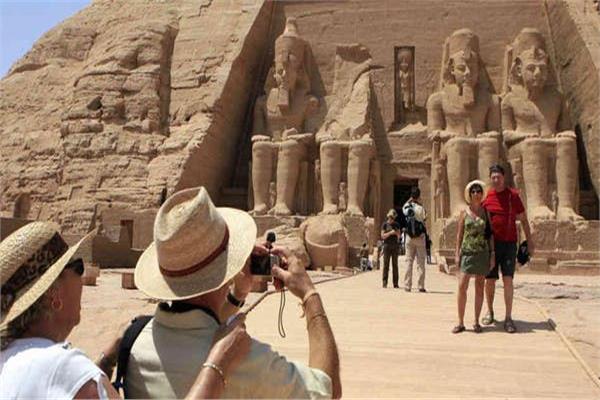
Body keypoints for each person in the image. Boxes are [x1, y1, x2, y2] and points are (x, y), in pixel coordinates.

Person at [125, 187, 341, 398]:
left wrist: (238, 294)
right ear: (228, 267)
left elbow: (196, 325)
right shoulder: (241, 358)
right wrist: (309, 295)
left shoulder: (134, 340)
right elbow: (327, 391)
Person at [0, 222, 249, 399]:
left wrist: (106, 359)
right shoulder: (64, 368)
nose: (82, 275)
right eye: (77, 267)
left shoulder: (11, 360)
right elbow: (66, 380)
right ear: (54, 296)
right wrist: (218, 364)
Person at [481, 164, 534, 333]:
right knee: (490, 280)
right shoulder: (487, 198)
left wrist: (529, 241)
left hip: (509, 243)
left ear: (504, 178)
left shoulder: (513, 196)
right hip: (492, 246)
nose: (496, 180)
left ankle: (508, 317)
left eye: (498, 177)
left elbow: (523, 219)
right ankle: (489, 311)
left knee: (508, 280)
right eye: (493, 177)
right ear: (490, 179)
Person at [453, 181, 495, 334]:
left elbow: (490, 235)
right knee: (462, 286)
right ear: (470, 195)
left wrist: (492, 254)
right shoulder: (464, 213)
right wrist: (457, 253)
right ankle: (460, 322)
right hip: (467, 253)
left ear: (482, 194)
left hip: (482, 253)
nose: (476, 194)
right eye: (473, 191)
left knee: (479, 286)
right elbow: (460, 235)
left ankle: (476, 321)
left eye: (478, 191)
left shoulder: (486, 213)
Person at [402, 187, 428, 292]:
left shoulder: (407, 207)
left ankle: (407, 285)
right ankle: (421, 286)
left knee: (408, 261)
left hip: (409, 237)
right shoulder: (420, 208)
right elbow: (424, 219)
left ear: (411, 196)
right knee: (420, 262)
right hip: (420, 237)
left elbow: (404, 208)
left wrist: (410, 200)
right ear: (419, 196)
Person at [381, 209, 401, 288]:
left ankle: (395, 283)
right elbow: (383, 236)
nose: (391, 219)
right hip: (387, 246)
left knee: (395, 265)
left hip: (395, 246)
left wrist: (396, 233)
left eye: (393, 218)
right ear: (388, 217)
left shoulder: (397, 225)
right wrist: (390, 233)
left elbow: (399, 236)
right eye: (390, 217)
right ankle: (384, 282)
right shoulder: (384, 225)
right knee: (386, 264)